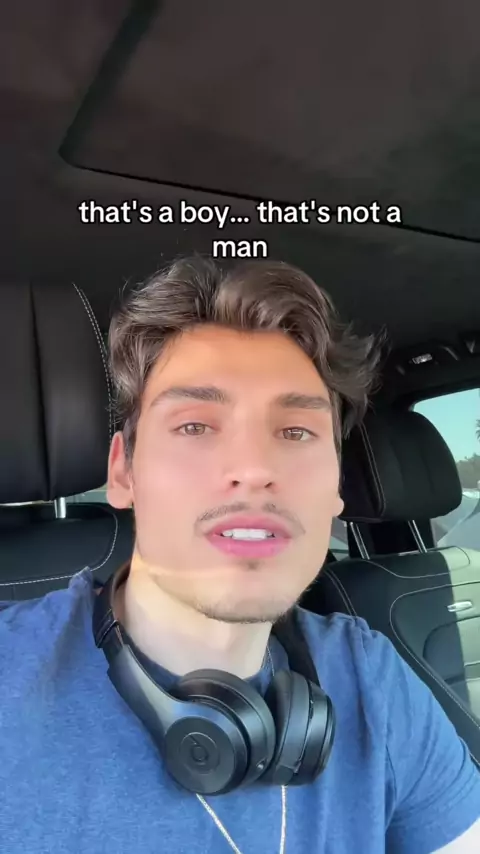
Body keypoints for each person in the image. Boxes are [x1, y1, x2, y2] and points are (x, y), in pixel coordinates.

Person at [1, 256, 479, 854]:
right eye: (195, 426)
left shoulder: (372, 680)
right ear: (123, 471)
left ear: (336, 485)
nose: (254, 469)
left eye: (296, 432)